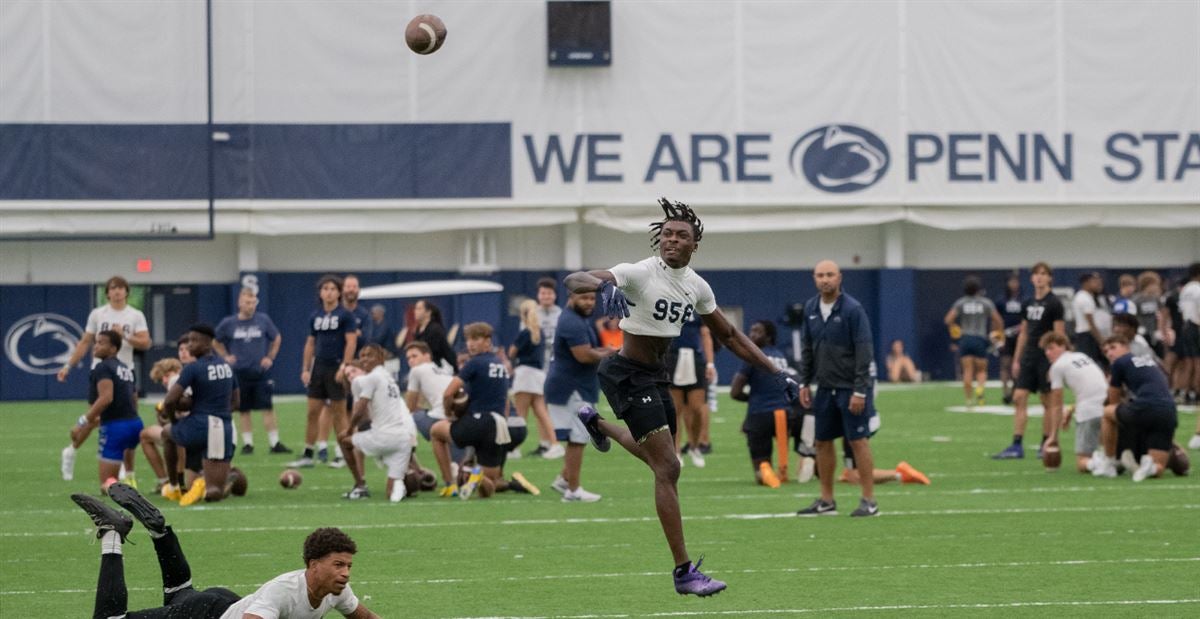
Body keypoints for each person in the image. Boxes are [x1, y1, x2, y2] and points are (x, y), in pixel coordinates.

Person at [565, 198, 797, 597]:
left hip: (656, 376)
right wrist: (603, 284)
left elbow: (729, 336)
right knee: (668, 467)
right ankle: (684, 572)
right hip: (625, 375)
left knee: (660, 461)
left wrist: (776, 372)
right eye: (667, 234)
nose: (672, 240)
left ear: (695, 245)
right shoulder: (639, 272)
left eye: (681, 236)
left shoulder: (696, 285)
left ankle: (596, 422)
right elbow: (575, 279)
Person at [71, 483, 378, 618]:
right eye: (338, 565)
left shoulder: (336, 590)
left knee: (179, 591)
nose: (345, 573)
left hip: (224, 603)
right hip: (205, 615)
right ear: (313, 565)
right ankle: (112, 533)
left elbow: (365, 618)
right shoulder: (284, 591)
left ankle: (160, 531)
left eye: (348, 566)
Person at [794, 260, 881, 518]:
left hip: (850, 389)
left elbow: (864, 350)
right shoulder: (810, 308)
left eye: (830, 275)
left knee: (858, 442)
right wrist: (805, 382)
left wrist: (860, 390)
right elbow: (807, 349)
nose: (825, 279)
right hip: (824, 389)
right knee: (822, 442)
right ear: (814, 278)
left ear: (840, 278)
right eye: (820, 275)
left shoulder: (853, 309)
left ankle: (869, 500)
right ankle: (826, 499)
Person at [59, 275, 151, 482]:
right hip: (102, 372)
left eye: (120, 288)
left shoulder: (135, 315)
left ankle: (128, 473)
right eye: (112, 288)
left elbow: (146, 343)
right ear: (107, 292)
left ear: (127, 292)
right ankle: (72, 450)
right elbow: (85, 342)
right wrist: (68, 365)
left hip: (125, 371)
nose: (117, 291)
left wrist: (124, 336)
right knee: (97, 418)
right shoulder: (98, 314)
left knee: (128, 418)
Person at [431, 322, 538, 498]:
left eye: (475, 338)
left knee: (436, 432)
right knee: (489, 487)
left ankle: (450, 484)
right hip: (498, 426)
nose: (470, 343)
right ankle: (479, 477)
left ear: (488, 341)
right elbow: (505, 403)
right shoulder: (499, 364)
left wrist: (448, 413)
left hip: (477, 422)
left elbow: (448, 393)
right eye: (468, 339)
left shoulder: (474, 363)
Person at [545, 288, 614, 502]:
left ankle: (565, 480)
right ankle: (573, 491)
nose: (589, 302)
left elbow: (591, 351)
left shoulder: (577, 318)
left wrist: (609, 351)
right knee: (578, 437)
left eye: (592, 298)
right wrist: (610, 353)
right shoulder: (572, 321)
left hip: (577, 386)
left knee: (579, 435)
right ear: (571, 297)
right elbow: (584, 355)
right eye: (583, 297)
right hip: (571, 388)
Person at [162, 324, 239, 506]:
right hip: (223, 428)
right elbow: (236, 402)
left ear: (207, 344)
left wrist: (175, 422)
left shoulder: (193, 368)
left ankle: (173, 485)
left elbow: (170, 401)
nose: (189, 345)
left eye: (193, 341)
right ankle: (227, 479)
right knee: (214, 492)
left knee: (166, 433)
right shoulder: (226, 366)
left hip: (198, 426)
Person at [996, 262, 1066, 460]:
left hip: (1046, 357)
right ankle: (1016, 445)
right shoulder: (1027, 303)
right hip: (1029, 356)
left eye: (1043, 274)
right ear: (1031, 278)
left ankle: (1047, 442)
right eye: (1036, 274)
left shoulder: (1054, 303)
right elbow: (1024, 332)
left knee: (1047, 401)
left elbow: (1059, 334)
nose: (1039, 277)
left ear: (1050, 278)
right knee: (1019, 397)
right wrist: (1017, 359)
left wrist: (1056, 361)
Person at [289, 275, 357, 469]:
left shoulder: (345, 315)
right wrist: (305, 369)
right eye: (325, 288)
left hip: (336, 366)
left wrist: (345, 366)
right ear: (320, 293)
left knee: (339, 413)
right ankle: (308, 454)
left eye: (333, 288)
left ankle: (342, 453)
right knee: (312, 412)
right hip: (318, 367)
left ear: (339, 292)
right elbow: (310, 343)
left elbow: (351, 341)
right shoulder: (315, 316)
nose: (329, 292)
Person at [214, 288, 290, 455]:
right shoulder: (229, 323)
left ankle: (274, 442)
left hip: (260, 371)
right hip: (239, 371)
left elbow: (276, 337)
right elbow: (216, 341)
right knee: (243, 409)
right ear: (240, 303)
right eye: (247, 302)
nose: (251, 306)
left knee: (267, 407)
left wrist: (270, 357)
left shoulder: (263, 320)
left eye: (253, 302)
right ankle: (248, 443)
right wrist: (226, 356)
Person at [337, 344, 417, 502]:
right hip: (403, 439)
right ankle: (406, 480)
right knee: (391, 495)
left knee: (343, 439)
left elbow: (360, 409)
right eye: (363, 356)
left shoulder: (371, 378)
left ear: (380, 358)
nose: (365, 358)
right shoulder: (388, 377)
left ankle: (360, 486)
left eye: (369, 355)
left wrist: (349, 429)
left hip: (384, 437)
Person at [1094, 336, 1179, 481]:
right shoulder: (1150, 361)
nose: (1109, 353)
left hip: (1146, 407)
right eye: (1106, 351)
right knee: (1158, 467)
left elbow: (1113, 402)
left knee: (1107, 413)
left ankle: (1109, 462)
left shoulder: (1120, 362)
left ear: (1126, 347)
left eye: (1113, 347)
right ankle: (1149, 466)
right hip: (1169, 410)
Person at [729, 320, 794, 487]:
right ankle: (787, 468)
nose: (751, 335)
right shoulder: (781, 356)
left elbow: (735, 392)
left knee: (761, 471)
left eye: (757, 331)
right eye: (751, 331)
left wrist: (752, 400)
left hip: (761, 414)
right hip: (785, 413)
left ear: (769, 336)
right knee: (782, 463)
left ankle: (765, 471)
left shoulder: (752, 356)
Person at [80, 330, 143, 493]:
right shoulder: (126, 368)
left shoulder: (102, 367)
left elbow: (106, 398)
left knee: (107, 486)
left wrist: (83, 421)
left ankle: (129, 498)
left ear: (113, 349)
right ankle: (134, 478)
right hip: (135, 423)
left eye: (101, 343)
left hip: (115, 426)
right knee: (115, 480)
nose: (96, 346)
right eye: (96, 342)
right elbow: (134, 398)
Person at [1040, 332, 1109, 473]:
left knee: (1082, 462)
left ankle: (1098, 463)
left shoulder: (1057, 367)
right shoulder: (1081, 356)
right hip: (1107, 408)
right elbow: (1093, 387)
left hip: (1089, 412)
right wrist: (1072, 409)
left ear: (1063, 346)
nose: (1048, 353)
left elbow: (1056, 404)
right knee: (1107, 446)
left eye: (1051, 348)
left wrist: (1053, 436)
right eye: (1046, 350)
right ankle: (1109, 460)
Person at [508, 299, 563, 459]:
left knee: (520, 414)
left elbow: (512, 352)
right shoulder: (540, 331)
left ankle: (514, 448)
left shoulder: (525, 332)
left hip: (525, 374)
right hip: (538, 375)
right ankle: (555, 444)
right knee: (542, 413)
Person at [664, 305, 716, 467]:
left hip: (694, 358)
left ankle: (694, 445)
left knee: (697, 408)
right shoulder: (665, 303)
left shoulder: (698, 306)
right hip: (673, 356)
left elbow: (706, 334)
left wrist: (710, 364)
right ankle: (676, 449)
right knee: (675, 409)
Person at [944, 276, 1003, 406]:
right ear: (978, 289)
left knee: (967, 370)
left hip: (965, 338)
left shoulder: (961, 303)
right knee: (981, 370)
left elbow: (948, 319)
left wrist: (955, 330)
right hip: (980, 338)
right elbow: (998, 320)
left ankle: (969, 399)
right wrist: (997, 334)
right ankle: (980, 388)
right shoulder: (986, 303)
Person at [996, 273, 1025, 404]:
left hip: (1019, 336)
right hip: (1006, 336)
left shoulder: (1023, 300)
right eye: (1011, 282)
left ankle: (1015, 391)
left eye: (1016, 282)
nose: (1014, 285)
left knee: (1016, 364)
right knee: (1005, 363)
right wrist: (997, 335)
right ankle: (1005, 391)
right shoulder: (1001, 300)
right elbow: (996, 319)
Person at [1071, 272, 1112, 367]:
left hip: (1087, 336)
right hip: (1087, 337)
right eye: (1095, 281)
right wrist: (1102, 341)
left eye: (1100, 281)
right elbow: (1091, 324)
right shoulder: (1085, 298)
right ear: (1086, 283)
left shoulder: (1086, 296)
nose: (1099, 284)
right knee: (1089, 365)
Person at [411, 299, 456, 372]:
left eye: (419, 309)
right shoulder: (417, 330)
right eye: (415, 308)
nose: (415, 311)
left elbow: (440, 351)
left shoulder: (435, 329)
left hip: (435, 368)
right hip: (421, 367)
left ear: (428, 312)